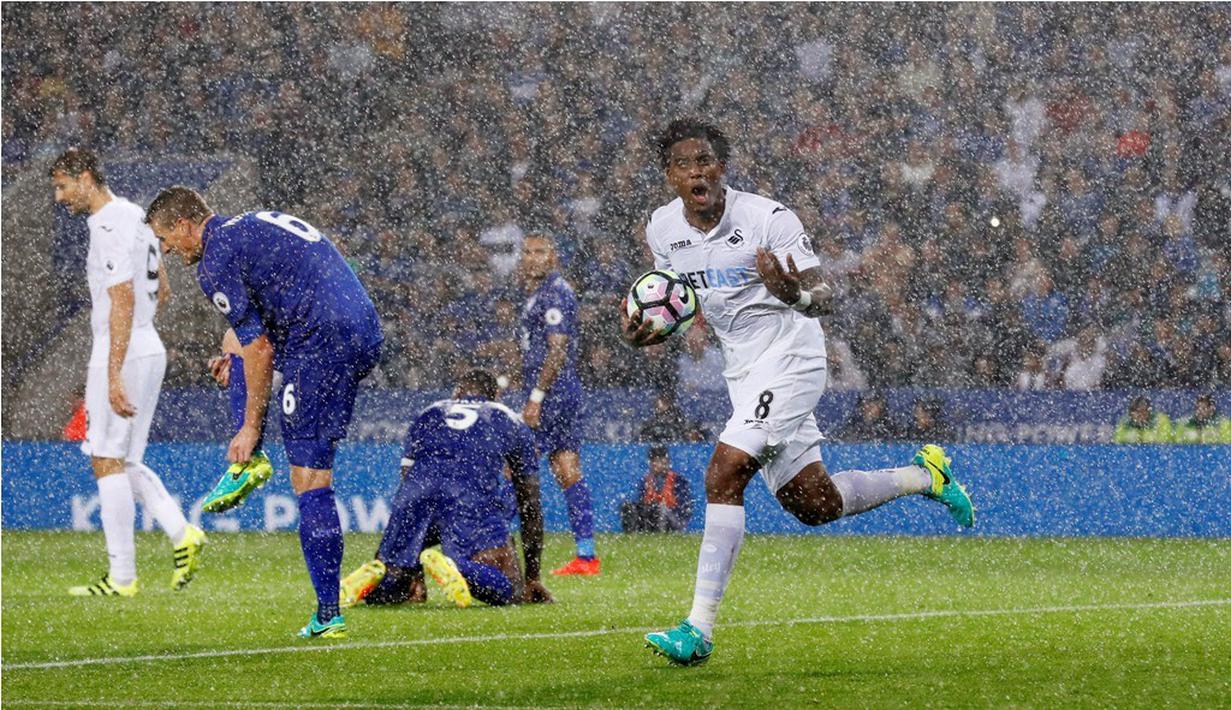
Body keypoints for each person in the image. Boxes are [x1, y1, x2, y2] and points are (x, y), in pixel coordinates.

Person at [626, 120, 974, 666]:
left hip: (793, 356)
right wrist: (650, 330)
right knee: (814, 504)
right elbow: (675, 299)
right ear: (668, 175)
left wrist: (793, 292)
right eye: (684, 164)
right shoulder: (662, 229)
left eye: (706, 160)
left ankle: (698, 629)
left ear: (722, 167)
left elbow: (823, 294)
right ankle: (924, 475)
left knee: (724, 472)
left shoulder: (768, 218)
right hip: (741, 373)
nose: (697, 171)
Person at [147, 186, 383, 639]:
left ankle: (329, 614)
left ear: (184, 224)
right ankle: (249, 454)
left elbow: (261, 348)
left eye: (166, 238)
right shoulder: (251, 224)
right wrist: (237, 360)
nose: (167, 250)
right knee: (233, 343)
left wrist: (249, 427)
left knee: (310, 479)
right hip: (362, 327)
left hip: (321, 340)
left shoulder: (214, 261)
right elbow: (254, 332)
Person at [50, 149, 206, 597]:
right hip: (146, 344)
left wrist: (114, 370)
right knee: (124, 459)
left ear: (85, 178)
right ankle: (182, 533)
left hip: (123, 347)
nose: (61, 197)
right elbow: (165, 289)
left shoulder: (108, 223)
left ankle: (122, 577)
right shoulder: (136, 214)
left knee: (105, 457)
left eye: (63, 185)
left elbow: (122, 298)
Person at [338, 370, 553, 608]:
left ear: (457, 392)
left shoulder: (430, 412)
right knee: (511, 590)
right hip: (467, 497)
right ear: (493, 397)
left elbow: (407, 478)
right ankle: (458, 566)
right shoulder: (507, 417)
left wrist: (413, 559)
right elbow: (530, 505)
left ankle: (383, 575)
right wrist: (532, 577)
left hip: (416, 493)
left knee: (400, 590)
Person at [518, 235, 601, 576]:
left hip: (552, 394)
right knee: (567, 468)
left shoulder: (554, 293)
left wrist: (536, 397)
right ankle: (586, 555)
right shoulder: (542, 293)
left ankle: (482, 543)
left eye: (539, 252)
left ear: (553, 256)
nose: (532, 258)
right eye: (527, 252)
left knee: (515, 467)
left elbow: (557, 349)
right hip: (561, 391)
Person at [205, 328, 275, 504]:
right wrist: (236, 366)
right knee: (235, 337)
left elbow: (260, 347)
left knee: (239, 338)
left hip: (313, 348)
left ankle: (250, 458)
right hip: (328, 336)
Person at [620, 446, 693, 533]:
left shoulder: (678, 480)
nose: (656, 464)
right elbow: (641, 501)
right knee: (629, 507)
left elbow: (684, 507)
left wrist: (668, 509)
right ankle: (631, 534)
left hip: (671, 518)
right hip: (651, 516)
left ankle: (660, 534)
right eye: (654, 461)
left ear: (666, 462)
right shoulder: (646, 481)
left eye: (659, 461)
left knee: (661, 509)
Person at [834, 391, 903, 442]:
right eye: (866, 403)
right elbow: (844, 440)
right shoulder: (853, 423)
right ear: (861, 407)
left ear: (881, 407)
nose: (869, 408)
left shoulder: (890, 425)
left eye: (873, 405)